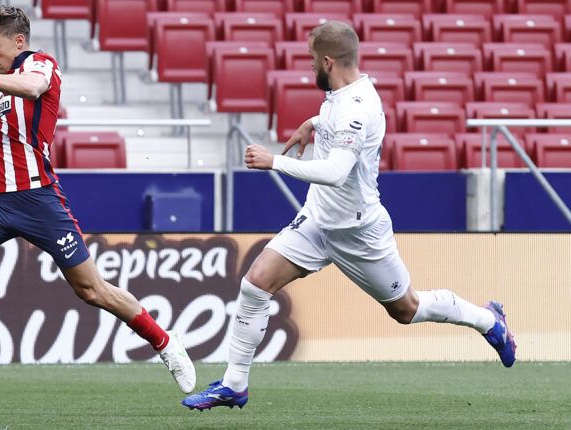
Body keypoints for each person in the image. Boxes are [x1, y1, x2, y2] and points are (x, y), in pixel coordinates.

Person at [182, 21, 516, 411]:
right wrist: (315, 122)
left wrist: (274, 162)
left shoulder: (359, 107)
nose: (309, 68)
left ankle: (487, 320)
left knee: (406, 309)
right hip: (318, 221)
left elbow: (338, 171)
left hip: (358, 231)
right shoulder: (340, 95)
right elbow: (336, 122)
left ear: (328, 61)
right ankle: (234, 384)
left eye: (311, 61)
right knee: (256, 284)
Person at [0, 6, 195, 399]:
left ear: (18, 41)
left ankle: (166, 345)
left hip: (39, 200)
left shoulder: (41, 65)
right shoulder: (6, 79)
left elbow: (32, 88)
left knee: (92, 290)